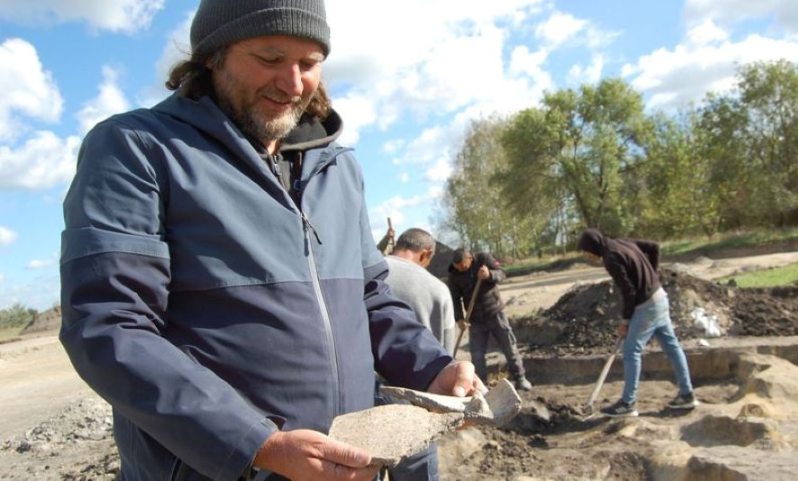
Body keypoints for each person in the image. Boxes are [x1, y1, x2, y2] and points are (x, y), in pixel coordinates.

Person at [58, 2, 483, 480]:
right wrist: (255, 443)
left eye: (309, 63)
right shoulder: (137, 150)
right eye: (270, 58)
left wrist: (431, 368)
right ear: (213, 55)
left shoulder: (338, 168)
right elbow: (109, 325)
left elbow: (369, 298)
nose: (294, 82)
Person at [577, 228, 697, 418]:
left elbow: (629, 292)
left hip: (647, 306)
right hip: (660, 298)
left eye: (586, 251)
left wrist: (626, 320)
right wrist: (653, 276)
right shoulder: (623, 242)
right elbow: (654, 247)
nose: (588, 255)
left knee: (631, 351)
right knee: (672, 347)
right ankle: (687, 394)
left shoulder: (611, 259)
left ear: (593, 247)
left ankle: (628, 403)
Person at [380, 228, 457, 481]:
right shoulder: (437, 290)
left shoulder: (366, 275)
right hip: (414, 409)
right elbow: (445, 357)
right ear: (426, 254)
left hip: (361, 402)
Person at [447, 249, 532, 392]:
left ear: (470, 259)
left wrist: (490, 275)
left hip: (495, 313)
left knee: (509, 347)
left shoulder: (483, 258)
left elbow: (502, 273)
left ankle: (520, 378)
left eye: (463, 266)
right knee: (477, 355)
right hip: (475, 318)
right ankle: (482, 387)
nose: (460, 269)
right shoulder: (453, 275)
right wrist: (460, 319)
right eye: (457, 267)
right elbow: (455, 299)